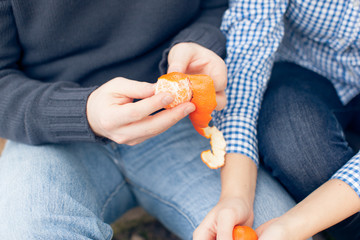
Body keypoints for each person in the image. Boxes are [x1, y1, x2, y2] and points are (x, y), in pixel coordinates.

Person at [0, 1, 297, 239]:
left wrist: (197, 44)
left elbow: (217, 6)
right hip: (50, 132)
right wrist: (83, 111)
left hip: (180, 118)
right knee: (30, 230)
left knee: (269, 229)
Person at [195, 0, 360, 239]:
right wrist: (235, 196)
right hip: (306, 68)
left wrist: (294, 224)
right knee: (296, 145)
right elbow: (245, 68)